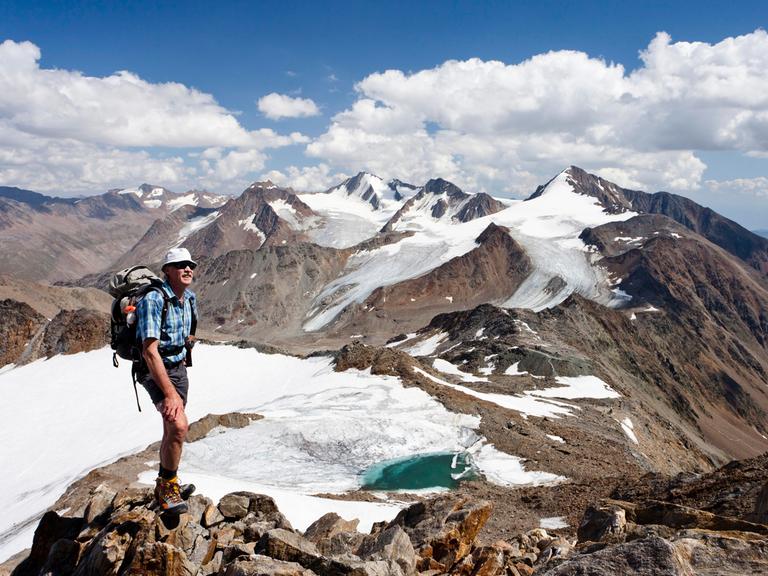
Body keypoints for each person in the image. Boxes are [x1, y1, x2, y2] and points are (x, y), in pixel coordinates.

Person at [136, 247, 198, 513]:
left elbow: (190, 330)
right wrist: (170, 393)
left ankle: (166, 484)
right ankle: (168, 488)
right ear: (167, 271)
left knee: (171, 429)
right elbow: (149, 351)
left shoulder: (189, 298)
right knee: (179, 426)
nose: (188, 269)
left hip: (178, 369)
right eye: (181, 265)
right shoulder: (153, 299)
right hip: (155, 369)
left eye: (190, 265)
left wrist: (186, 349)